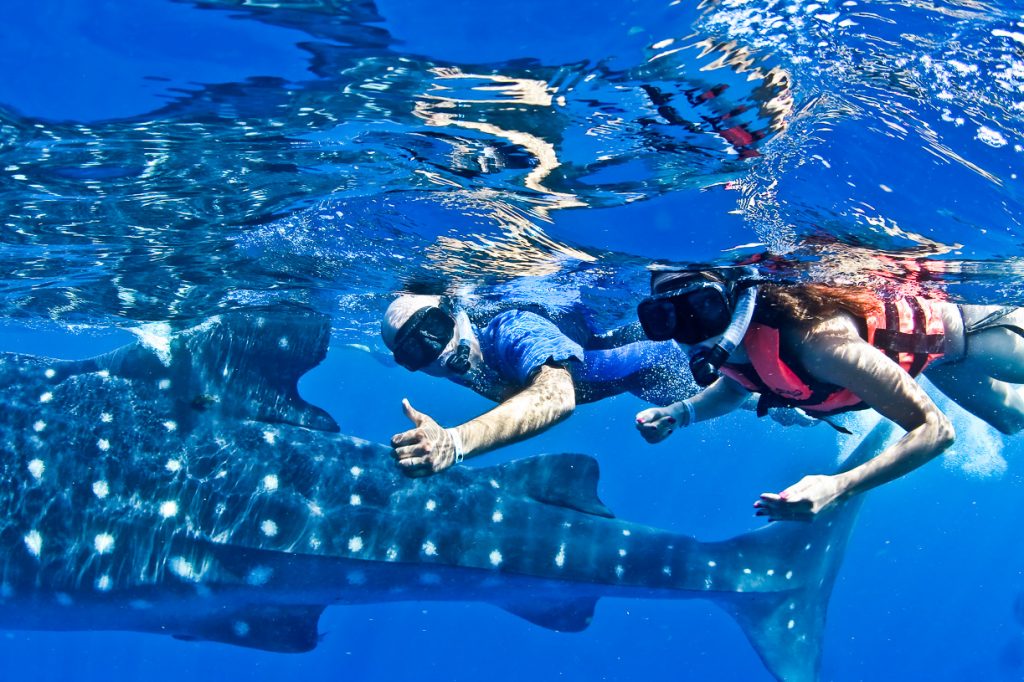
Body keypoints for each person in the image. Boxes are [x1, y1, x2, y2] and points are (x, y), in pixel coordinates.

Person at [634, 269, 1024, 521]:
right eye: (663, 317)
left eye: (703, 306)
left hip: (977, 329)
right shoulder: (733, 346)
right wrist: (681, 412)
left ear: (736, 298)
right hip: (942, 363)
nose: (689, 329)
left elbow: (936, 429)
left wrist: (839, 486)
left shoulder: (822, 345)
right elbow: (738, 386)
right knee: (1012, 420)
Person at [381, 293, 691, 477]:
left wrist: (456, 443)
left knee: (738, 394)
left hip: (678, 353)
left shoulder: (512, 327)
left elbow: (558, 396)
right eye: (415, 351)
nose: (439, 352)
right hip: (633, 378)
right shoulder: (455, 365)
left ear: (453, 312)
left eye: (433, 328)